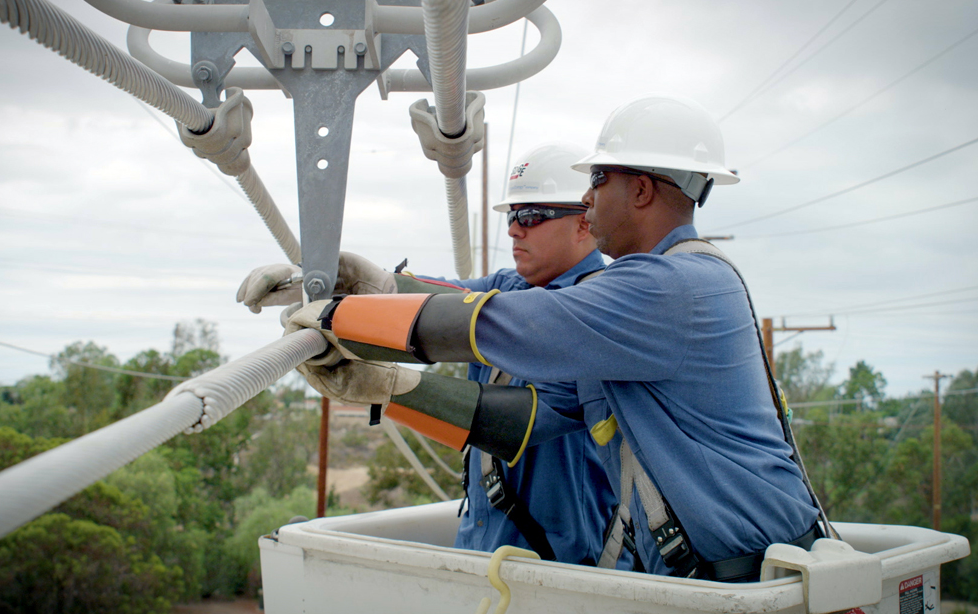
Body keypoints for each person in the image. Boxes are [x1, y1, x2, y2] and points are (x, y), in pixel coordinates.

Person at [283, 95, 828, 582]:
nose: (589, 199)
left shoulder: (668, 286)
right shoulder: (641, 298)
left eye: (597, 180)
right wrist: (359, 295)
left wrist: (338, 319)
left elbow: (509, 324)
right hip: (712, 574)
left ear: (640, 189)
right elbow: (529, 415)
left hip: (749, 579)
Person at [237, 144, 617, 566]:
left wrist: (385, 388)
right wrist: (335, 284)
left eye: (530, 216)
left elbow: (528, 419)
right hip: (481, 554)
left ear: (584, 222)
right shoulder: (511, 288)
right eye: (512, 217)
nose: (513, 230)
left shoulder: (602, 314)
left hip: (562, 571)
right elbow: (432, 304)